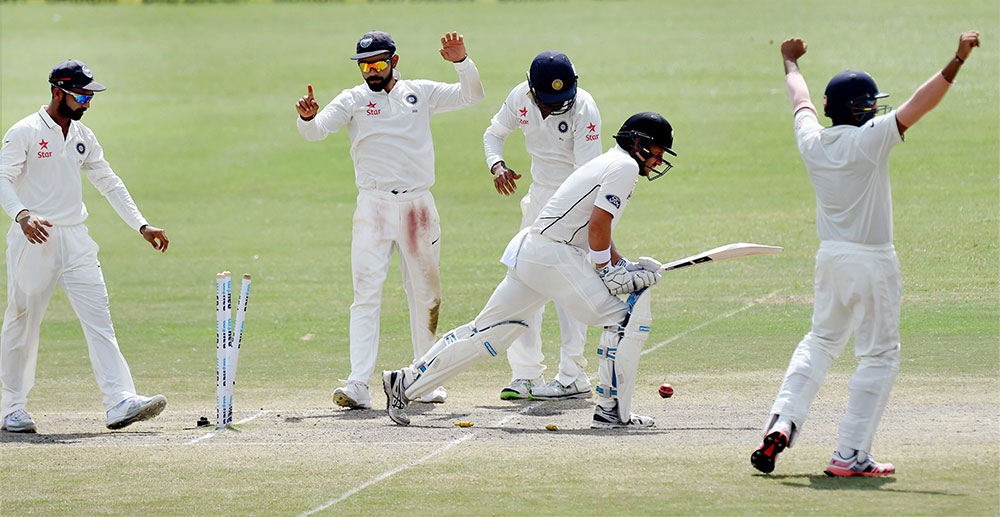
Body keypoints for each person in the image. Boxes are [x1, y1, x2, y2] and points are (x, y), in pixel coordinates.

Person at [751, 32, 981, 477]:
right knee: (878, 356)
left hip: (830, 260)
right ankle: (850, 454)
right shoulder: (871, 139)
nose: (877, 109)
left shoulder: (812, 142)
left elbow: (800, 100)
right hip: (873, 262)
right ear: (862, 110)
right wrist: (957, 59)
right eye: (872, 103)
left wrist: (789, 60)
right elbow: (920, 103)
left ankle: (782, 422)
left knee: (819, 343)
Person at [382, 112, 677, 428]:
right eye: (657, 152)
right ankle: (611, 412)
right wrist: (608, 271)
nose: (658, 161)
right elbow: (597, 224)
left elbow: (595, 225)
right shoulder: (625, 166)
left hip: (535, 251)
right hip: (553, 254)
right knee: (623, 320)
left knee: (487, 333)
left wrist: (621, 265)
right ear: (639, 143)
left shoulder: (611, 161)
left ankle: (405, 382)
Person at [295, 31, 484, 409]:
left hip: (418, 207)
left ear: (394, 61)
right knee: (365, 295)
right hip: (373, 207)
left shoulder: (420, 92)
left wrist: (462, 62)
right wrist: (307, 117)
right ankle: (358, 384)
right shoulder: (353, 99)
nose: (372, 72)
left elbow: (472, 95)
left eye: (379, 63)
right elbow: (316, 133)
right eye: (365, 65)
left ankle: (423, 380)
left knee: (426, 295)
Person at [0, 59, 170, 433]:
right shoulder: (25, 131)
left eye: (90, 96)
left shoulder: (82, 136)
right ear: (57, 92)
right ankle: (12, 408)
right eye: (81, 95)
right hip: (35, 236)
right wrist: (22, 215)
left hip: (76, 239)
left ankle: (119, 401)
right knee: (23, 320)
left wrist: (140, 224)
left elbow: (109, 182)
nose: (87, 103)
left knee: (100, 320)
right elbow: (3, 178)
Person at [483, 51, 603, 401]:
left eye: (561, 101)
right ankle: (525, 374)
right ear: (533, 90)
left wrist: (561, 220)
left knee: (569, 287)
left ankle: (573, 375)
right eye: (548, 102)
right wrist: (497, 165)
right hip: (538, 200)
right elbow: (493, 134)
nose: (554, 108)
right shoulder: (520, 96)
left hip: (575, 204)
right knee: (522, 280)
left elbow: (587, 175)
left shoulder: (584, 108)